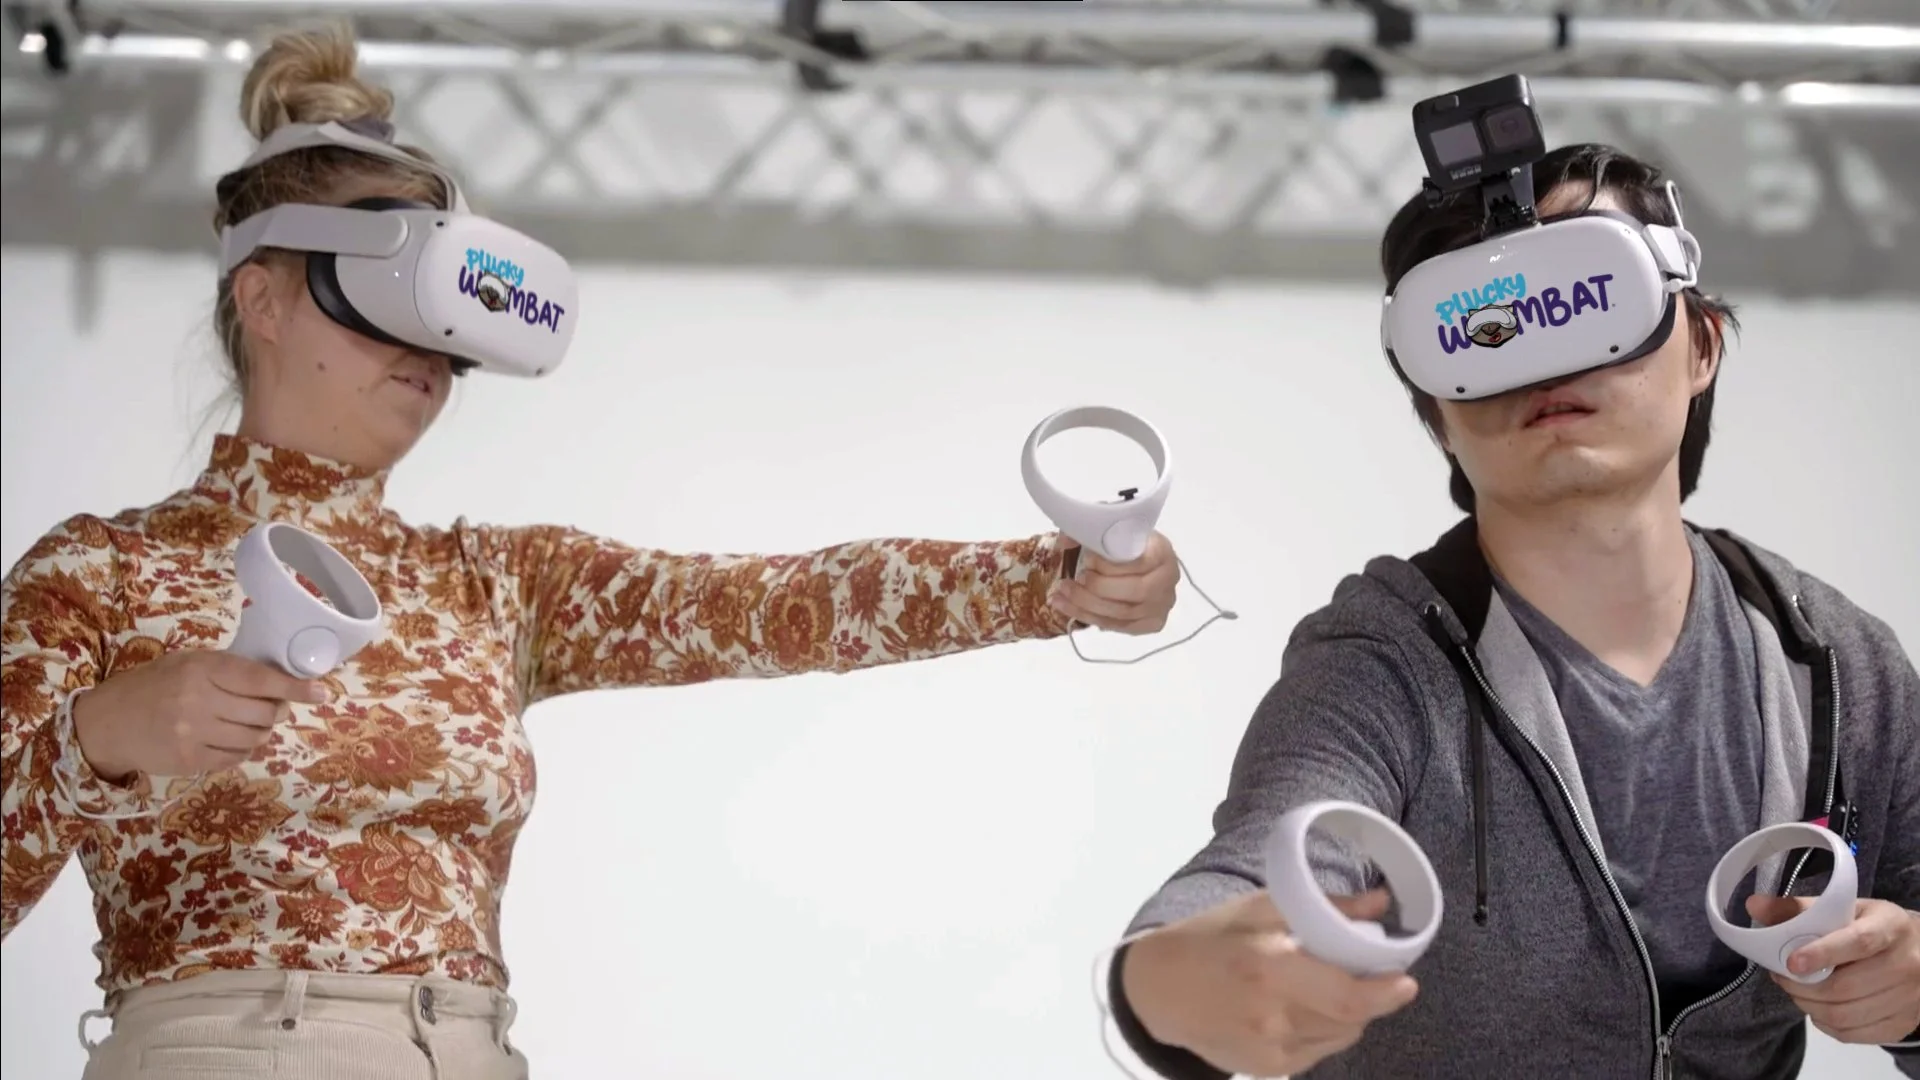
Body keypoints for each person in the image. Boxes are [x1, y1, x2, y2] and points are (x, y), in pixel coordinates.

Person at [0, 24, 1185, 1080]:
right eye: (383, 295)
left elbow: (764, 605)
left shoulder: (492, 583)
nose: (425, 354)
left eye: (447, 322)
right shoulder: (101, 573)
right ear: (262, 301)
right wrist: (93, 741)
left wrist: (1055, 581)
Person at [1098, 144, 1920, 1080]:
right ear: (1436, 411)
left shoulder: (1836, 664)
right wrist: (1168, 985)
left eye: (1585, 297)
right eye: (1479, 326)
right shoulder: (1379, 664)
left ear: (1700, 345)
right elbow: (1268, 861)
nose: (1540, 357)